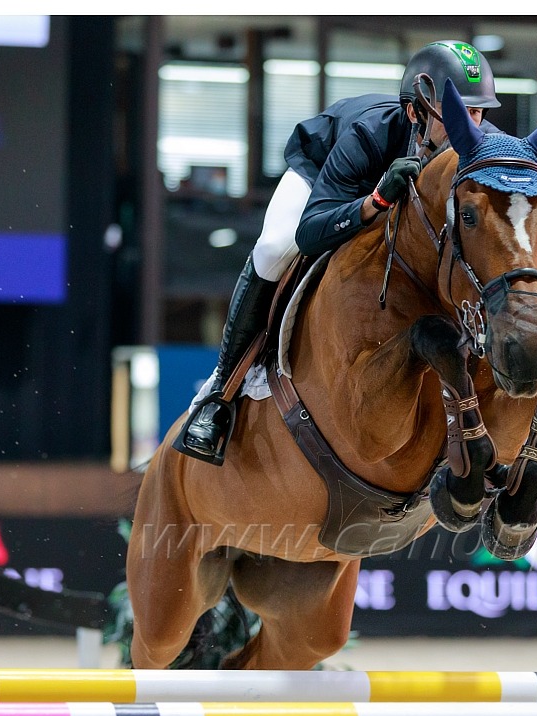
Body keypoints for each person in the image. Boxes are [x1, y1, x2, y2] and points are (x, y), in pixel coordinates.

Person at [174, 40, 502, 464]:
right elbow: (311, 233)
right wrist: (375, 202)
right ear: (414, 113)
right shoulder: (368, 132)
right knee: (275, 247)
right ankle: (220, 392)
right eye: (455, 115)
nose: (468, 128)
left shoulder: (486, 147)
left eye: (476, 114)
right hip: (325, 178)